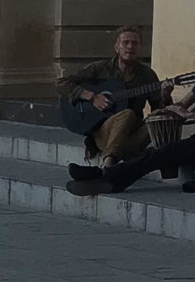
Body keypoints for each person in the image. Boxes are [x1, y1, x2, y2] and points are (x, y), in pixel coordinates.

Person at [90, 30, 195, 194]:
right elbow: (181, 105)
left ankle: (109, 176)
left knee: (163, 152)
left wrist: (191, 115)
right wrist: (166, 97)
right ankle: (109, 177)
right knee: (158, 151)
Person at [62, 24, 167, 179]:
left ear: (140, 48)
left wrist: (165, 96)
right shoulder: (100, 68)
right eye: (126, 43)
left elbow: (158, 108)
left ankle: (107, 168)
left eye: (135, 43)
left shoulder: (148, 75)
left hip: (132, 137)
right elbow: (62, 83)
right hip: (104, 133)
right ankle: (110, 164)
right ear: (117, 47)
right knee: (127, 114)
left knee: (159, 119)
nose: (130, 47)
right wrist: (91, 96)